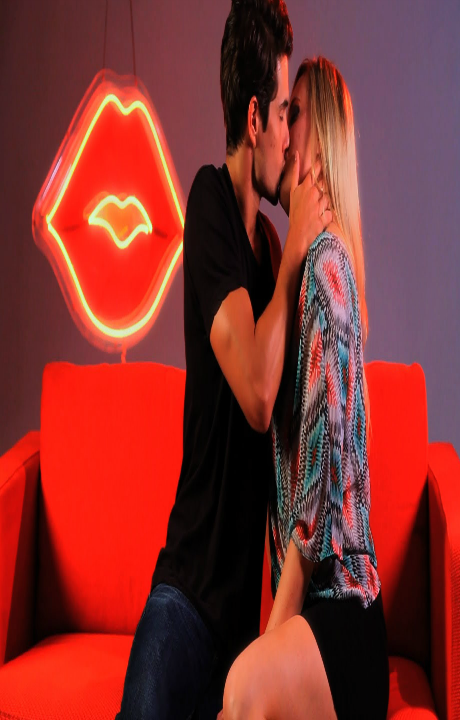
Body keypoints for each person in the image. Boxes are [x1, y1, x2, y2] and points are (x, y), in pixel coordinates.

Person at [116, 2, 332, 718]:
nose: (290, 139)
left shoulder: (269, 248)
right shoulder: (208, 202)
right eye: (284, 114)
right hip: (184, 599)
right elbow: (259, 394)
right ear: (254, 118)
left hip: (242, 629)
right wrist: (296, 248)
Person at [220, 56, 390, 720]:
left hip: (341, 621)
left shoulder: (325, 267)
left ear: (317, 144)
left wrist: (269, 640)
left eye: (292, 115)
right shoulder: (308, 262)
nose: (280, 132)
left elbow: (315, 497)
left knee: (243, 689)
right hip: (321, 626)